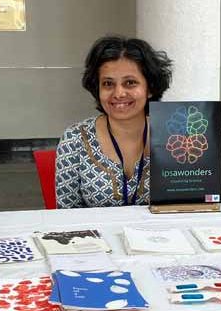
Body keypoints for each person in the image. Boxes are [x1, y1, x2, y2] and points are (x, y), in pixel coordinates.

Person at [55, 35, 173, 208]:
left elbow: (189, 205)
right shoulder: (75, 139)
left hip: (161, 234)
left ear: (150, 88)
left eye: (130, 83)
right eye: (108, 84)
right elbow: (66, 214)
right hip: (95, 234)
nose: (118, 93)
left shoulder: (175, 137)